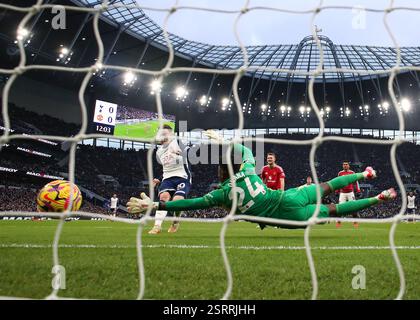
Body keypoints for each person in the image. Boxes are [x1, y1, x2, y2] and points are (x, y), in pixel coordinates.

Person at [127, 131, 397, 227]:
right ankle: (366, 175)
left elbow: (190, 203)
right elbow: (244, 150)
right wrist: (225, 142)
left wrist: (156, 206)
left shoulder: (220, 195)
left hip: (287, 219)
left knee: (332, 209)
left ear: (222, 172)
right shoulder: (248, 170)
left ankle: (377, 197)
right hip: (290, 196)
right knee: (326, 186)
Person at [148, 124, 192, 234]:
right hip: (167, 178)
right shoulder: (159, 152)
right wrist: (158, 179)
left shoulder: (177, 142)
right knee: (164, 197)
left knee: (177, 200)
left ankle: (175, 222)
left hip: (182, 176)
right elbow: (166, 167)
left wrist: (181, 153)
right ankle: (157, 226)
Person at [336, 161, 361, 228]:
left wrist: (358, 191)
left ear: (349, 165)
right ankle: (338, 222)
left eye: (346, 164)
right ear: (342, 166)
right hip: (342, 193)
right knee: (340, 208)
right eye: (344, 164)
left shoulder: (352, 173)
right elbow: (338, 182)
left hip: (350, 193)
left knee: (353, 208)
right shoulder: (340, 173)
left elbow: (356, 182)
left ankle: (355, 222)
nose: (345, 165)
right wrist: (337, 191)